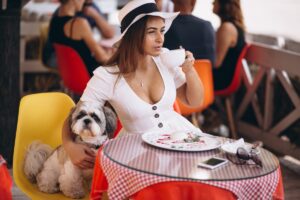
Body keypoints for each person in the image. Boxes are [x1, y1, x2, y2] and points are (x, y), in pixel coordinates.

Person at [62, 0, 204, 169]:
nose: (160, 38)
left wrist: (189, 70)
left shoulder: (166, 58)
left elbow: (194, 101)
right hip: (137, 150)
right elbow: (76, 114)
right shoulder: (107, 76)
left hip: (181, 136)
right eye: (152, 32)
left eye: (162, 31)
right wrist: (69, 146)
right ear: (133, 34)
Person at [45, 0, 114, 75]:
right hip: (89, 76)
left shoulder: (54, 21)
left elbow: (75, 47)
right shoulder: (80, 23)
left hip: (72, 75)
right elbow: (102, 58)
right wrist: (115, 56)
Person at [164, 0, 216, 65]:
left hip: (176, 74)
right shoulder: (206, 26)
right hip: (204, 74)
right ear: (193, 2)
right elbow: (212, 62)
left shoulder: (164, 27)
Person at [212, 0, 246, 91]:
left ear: (225, 4)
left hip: (220, 81)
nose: (212, 3)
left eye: (215, 1)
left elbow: (216, 62)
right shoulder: (235, 27)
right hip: (226, 78)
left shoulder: (227, 28)